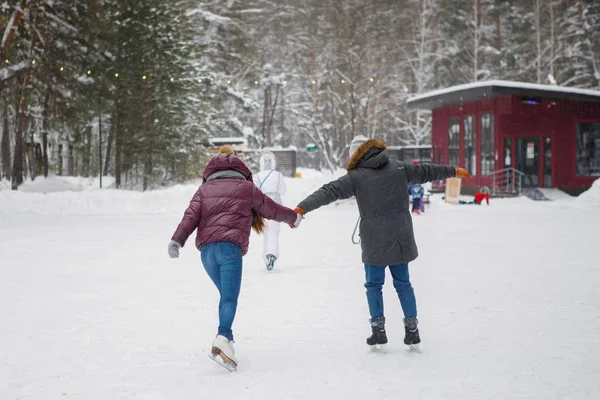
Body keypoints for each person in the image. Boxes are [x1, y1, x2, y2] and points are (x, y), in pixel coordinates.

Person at [294, 135, 469, 350]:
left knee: (374, 285)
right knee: (403, 284)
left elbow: (328, 191)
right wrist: (453, 171)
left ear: (355, 155)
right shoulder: (398, 168)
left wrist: (302, 207)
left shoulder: (355, 177)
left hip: (374, 239)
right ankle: (412, 330)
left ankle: (378, 331)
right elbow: (427, 171)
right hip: (400, 238)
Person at [167, 145, 303, 370]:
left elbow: (189, 217)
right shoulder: (246, 188)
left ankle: (227, 343)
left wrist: (176, 240)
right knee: (229, 299)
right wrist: (293, 218)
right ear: (240, 167)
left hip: (207, 254)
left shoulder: (204, 190)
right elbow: (272, 209)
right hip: (229, 251)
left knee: (225, 298)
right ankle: (222, 339)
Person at [252, 151, 287, 270]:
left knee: (266, 232)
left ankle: (266, 257)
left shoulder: (257, 176)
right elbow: (283, 190)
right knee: (274, 232)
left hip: (263, 205)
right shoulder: (278, 175)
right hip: (276, 205)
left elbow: (254, 192)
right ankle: (272, 255)